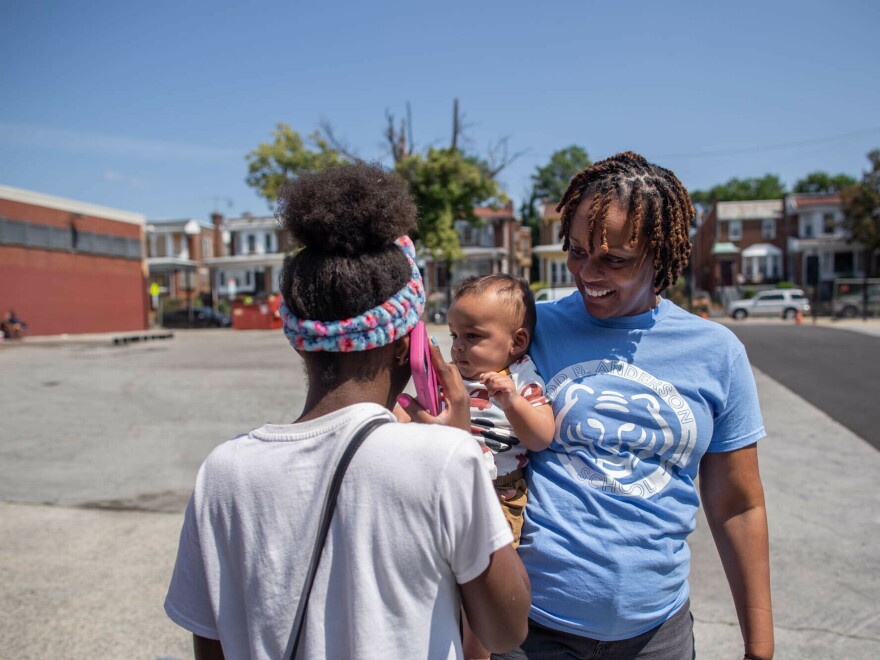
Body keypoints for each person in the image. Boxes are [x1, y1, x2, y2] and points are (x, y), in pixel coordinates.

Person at [164, 162, 530, 660]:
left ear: (301, 343)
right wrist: (466, 447)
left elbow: (211, 649)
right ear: (409, 341)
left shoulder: (222, 473)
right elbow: (506, 631)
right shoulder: (448, 461)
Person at [498, 152, 773, 660]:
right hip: (530, 629)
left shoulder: (717, 353)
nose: (586, 273)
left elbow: (738, 505)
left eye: (614, 260)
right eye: (576, 251)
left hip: (657, 636)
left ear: (662, 254)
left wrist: (760, 645)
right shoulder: (531, 330)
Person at [445, 274, 555, 660]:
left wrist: (512, 403)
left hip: (499, 497)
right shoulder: (452, 376)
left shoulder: (521, 379)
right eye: (454, 335)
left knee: (481, 590)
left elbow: (542, 436)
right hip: (450, 492)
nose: (458, 347)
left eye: (472, 336)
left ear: (517, 341)